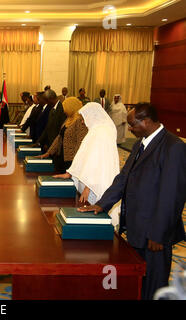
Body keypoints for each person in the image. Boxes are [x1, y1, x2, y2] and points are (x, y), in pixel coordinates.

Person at [79, 103, 186, 300]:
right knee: (137, 281)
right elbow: (123, 179)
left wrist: (159, 234)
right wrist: (102, 204)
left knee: (153, 287)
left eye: (132, 125)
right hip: (136, 228)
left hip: (155, 234)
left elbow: (172, 195)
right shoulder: (139, 144)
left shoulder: (174, 147)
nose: (129, 129)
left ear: (146, 122)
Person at [54, 102, 120, 205]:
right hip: (88, 182)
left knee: (94, 213)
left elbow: (98, 162)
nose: (82, 122)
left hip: (95, 183)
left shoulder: (103, 132)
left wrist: (88, 187)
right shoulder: (95, 130)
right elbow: (83, 155)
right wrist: (69, 173)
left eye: (84, 119)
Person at [39, 97, 88, 172]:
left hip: (72, 160)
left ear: (71, 107)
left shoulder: (80, 121)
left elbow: (80, 142)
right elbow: (60, 137)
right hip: (61, 156)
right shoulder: (68, 119)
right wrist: (49, 152)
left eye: (66, 108)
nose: (64, 111)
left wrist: (76, 162)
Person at [37, 90, 66, 170]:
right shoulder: (52, 109)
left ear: (50, 99)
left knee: (57, 170)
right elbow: (47, 128)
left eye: (46, 101)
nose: (46, 103)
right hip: (51, 146)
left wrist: (55, 147)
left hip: (57, 148)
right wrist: (39, 141)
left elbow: (61, 131)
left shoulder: (62, 108)